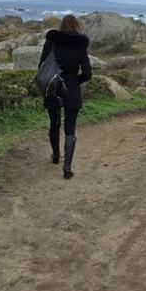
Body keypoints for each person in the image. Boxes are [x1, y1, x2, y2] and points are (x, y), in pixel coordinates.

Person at [38, 15, 92, 179]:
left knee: (54, 124)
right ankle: (67, 168)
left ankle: (55, 156)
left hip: (53, 87)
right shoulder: (80, 45)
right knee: (70, 130)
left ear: (61, 26)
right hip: (72, 89)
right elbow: (88, 73)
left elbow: (42, 66)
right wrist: (75, 81)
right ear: (76, 26)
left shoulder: (52, 41)